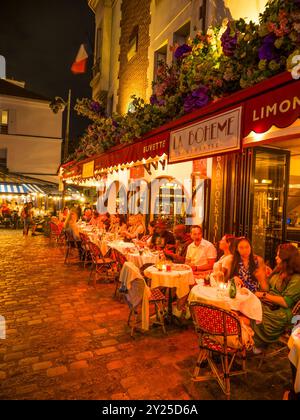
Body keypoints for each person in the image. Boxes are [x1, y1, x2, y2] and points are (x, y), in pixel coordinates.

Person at [250, 243, 300, 353]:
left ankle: (256, 342)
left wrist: (264, 296)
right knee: (245, 307)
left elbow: (286, 302)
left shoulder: (296, 279)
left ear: (286, 259)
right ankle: (246, 342)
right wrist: (261, 278)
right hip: (269, 304)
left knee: (251, 314)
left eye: (278, 255)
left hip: (280, 312)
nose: (275, 257)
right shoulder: (279, 271)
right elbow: (267, 288)